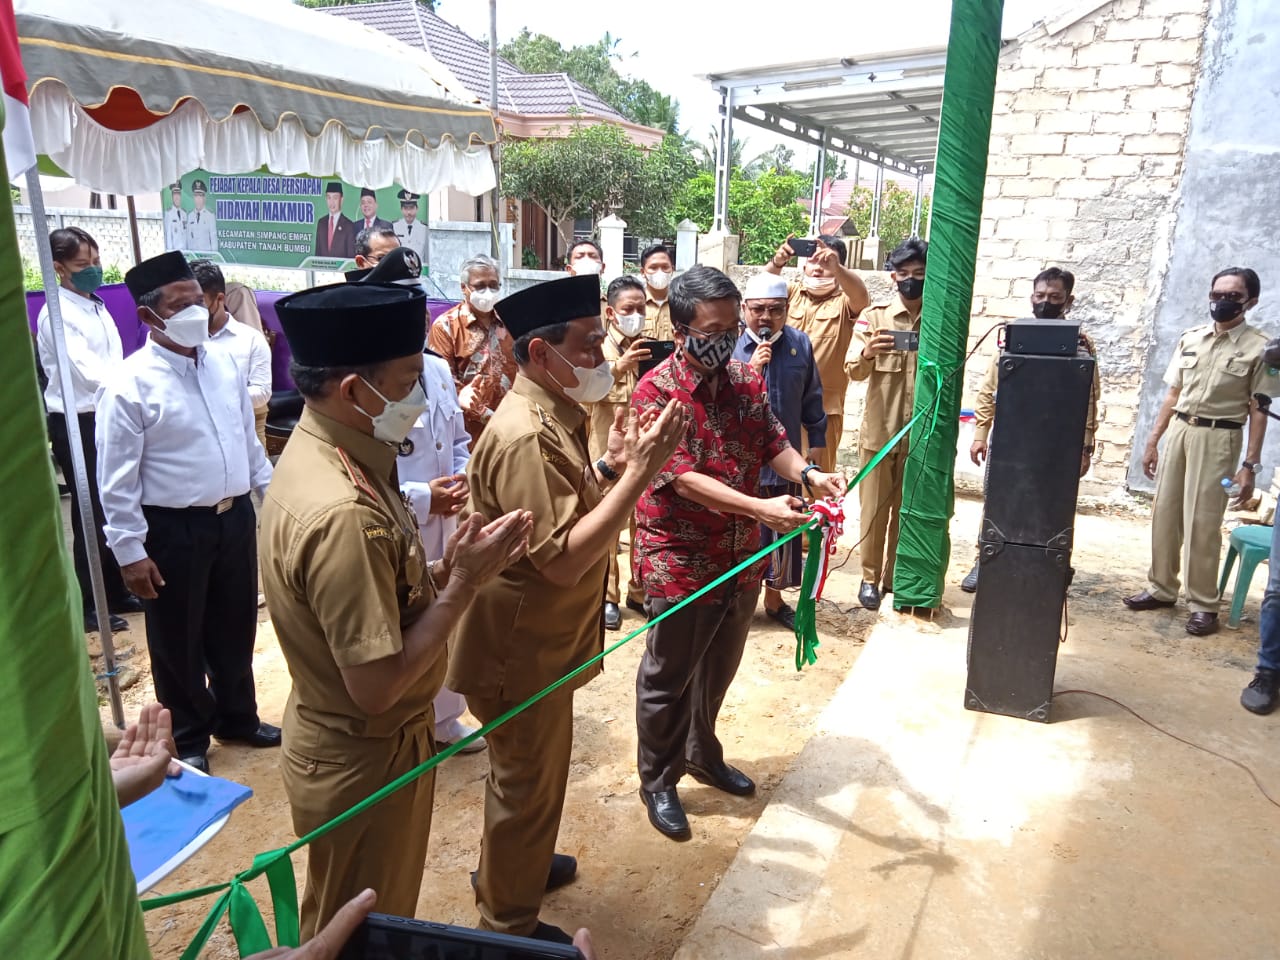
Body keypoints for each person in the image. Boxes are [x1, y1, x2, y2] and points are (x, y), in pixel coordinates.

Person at [261, 278, 533, 939]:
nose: (422, 393)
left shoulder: (339, 450)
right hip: (365, 756)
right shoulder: (342, 511)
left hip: (359, 744)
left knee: (361, 918)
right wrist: (464, 586)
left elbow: (382, 593)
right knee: (356, 931)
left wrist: (445, 570)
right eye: (410, 378)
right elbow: (378, 685)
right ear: (355, 390)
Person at [448, 274, 687, 944]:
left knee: (528, 781)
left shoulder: (552, 413)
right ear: (539, 355)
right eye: (587, 345)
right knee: (525, 785)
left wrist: (610, 471)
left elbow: (563, 512)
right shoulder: (527, 433)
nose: (602, 357)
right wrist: (641, 474)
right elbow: (561, 560)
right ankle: (508, 922)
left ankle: (512, 869)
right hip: (516, 651)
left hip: (536, 643)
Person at [631, 266, 845, 841]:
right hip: (681, 554)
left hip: (738, 553)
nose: (726, 340)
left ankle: (703, 750)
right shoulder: (655, 391)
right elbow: (680, 479)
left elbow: (773, 441)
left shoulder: (744, 380)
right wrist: (759, 509)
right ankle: (659, 777)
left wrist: (808, 475)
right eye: (714, 329)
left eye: (733, 328)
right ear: (680, 330)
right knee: (669, 673)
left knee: (721, 662)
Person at [96, 251, 278, 773]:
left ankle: (238, 716)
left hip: (233, 514)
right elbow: (117, 480)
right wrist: (129, 551)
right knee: (177, 634)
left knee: (236, 621)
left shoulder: (223, 361)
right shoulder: (128, 385)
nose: (194, 312)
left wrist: (273, 496)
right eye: (179, 305)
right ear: (149, 316)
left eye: (196, 301)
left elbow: (247, 442)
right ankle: (190, 732)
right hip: (172, 527)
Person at [348, 247, 488, 753]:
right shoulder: (362, 382)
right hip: (396, 521)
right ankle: (409, 717)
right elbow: (358, 475)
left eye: (417, 304)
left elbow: (454, 440)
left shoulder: (436, 369)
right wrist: (424, 496)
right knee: (400, 619)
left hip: (445, 517)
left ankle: (446, 716)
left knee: (445, 612)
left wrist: (459, 477)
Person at [1124, 267, 1272, 637]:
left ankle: (1204, 604)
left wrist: (1249, 465)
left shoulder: (1259, 347)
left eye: (1233, 296)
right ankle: (1161, 588)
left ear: (1250, 302)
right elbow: (1172, 395)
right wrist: (1153, 441)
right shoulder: (1191, 338)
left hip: (1219, 438)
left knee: (1203, 522)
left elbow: (1259, 408)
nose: (1223, 302)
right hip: (1179, 430)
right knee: (1165, 513)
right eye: (1217, 293)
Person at [961, 267, 1100, 592]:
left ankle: (1053, 566)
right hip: (1011, 439)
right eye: (1040, 296)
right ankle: (986, 560)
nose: (1046, 303)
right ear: (1031, 297)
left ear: (1069, 300)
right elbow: (988, 391)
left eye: (1055, 297)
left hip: (1058, 443)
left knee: (1055, 505)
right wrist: (980, 434)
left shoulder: (1081, 345)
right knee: (998, 501)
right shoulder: (1013, 337)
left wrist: (1085, 447)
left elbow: (1090, 400)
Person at [35, 226, 138, 634]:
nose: (93, 270)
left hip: (107, 411)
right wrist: (131, 389)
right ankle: (90, 602)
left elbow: (114, 359)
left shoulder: (93, 303)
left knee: (113, 503)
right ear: (59, 268)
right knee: (89, 512)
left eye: (95, 262)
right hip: (77, 421)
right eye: (83, 265)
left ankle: (115, 590)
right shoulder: (55, 314)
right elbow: (89, 371)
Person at [731, 273, 826, 629]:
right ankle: (740, 599)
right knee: (745, 530)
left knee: (784, 529)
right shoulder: (731, 347)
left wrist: (817, 437)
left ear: (787, 310)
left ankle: (774, 599)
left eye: (775, 309)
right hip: (742, 460)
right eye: (758, 310)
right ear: (744, 309)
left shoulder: (800, 344)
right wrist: (750, 369)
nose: (766, 318)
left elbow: (812, 395)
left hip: (787, 458)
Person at [843, 237, 928, 612]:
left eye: (919, 274)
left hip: (920, 436)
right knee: (874, 512)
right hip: (879, 434)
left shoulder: (938, 320)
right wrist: (867, 351)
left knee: (908, 511)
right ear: (893, 277)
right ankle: (869, 578)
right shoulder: (874, 316)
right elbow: (853, 370)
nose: (911, 281)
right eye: (904, 274)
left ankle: (897, 577)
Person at [765, 234, 869, 478]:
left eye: (826, 263)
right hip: (780, 404)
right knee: (775, 478)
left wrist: (838, 268)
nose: (819, 269)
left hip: (824, 412)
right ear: (803, 265)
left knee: (818, 481)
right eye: (813, 261)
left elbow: (861, 297)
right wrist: (778, 260)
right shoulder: (790, 294)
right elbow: (763, 287)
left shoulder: (845, 303)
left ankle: (818, 518)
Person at [589, 274, 652, 629]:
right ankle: (609, 595)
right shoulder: (597, 350)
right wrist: (618, 368)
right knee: (609, 525)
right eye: (629, 309)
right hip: (608, 452)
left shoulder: (650, 347)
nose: (637, 315)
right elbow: (583, 392)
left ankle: (638, 591)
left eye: (641, 309)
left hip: (643, 450)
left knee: (642, 521)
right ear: (611, 313)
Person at [427, 253, 517, 444]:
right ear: (464, 288)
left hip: (512, 431)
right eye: (480, 286)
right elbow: (441, 382)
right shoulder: (446, 327)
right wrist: (479, 409)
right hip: (467, 436)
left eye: (493, 285)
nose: (488, 291)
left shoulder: (512, 321)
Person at [193, 260, 273, 452]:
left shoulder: (250, 339)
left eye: (199, 303)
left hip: (246, 433)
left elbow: (262, 392)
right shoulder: (182, 339)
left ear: (220, 299)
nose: (191, 310)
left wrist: (217, 397)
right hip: (197, 434)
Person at [639, 243, 676, 340]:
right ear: (643, 272)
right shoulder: (636, 305)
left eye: (665, 267)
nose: (660, 272)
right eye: (653, 268)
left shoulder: (681, 303)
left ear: (672, 269)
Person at [315, 182, 356, 259]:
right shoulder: (321, 223)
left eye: (335, 198)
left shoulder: (349, 225)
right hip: (322, 269)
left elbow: (351, 258)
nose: (332, 202)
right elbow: (317, 253)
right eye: (329, 198)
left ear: (342, 199)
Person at [393, 189, 428, 259]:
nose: (409, 212)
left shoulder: (424, 229)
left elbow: (427, 255)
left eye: (411, 208)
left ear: (417, 208)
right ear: (401, 209)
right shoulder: (394, 227)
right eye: (405, 208)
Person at [185, 179, 218, 252]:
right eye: (196, 196)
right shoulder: (190, 216)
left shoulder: (210, 216)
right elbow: (188, 239)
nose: (198, 199)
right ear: (194, 198)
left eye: (200, 196)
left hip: (206, 258)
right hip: (193, 258)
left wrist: (214, 258)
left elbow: (213, 239)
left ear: (204, 198)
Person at [164, 181, 186, 250]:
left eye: (178, 194)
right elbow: (168, 237)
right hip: (175, 252)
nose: (177, 197)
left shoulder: (184, 213)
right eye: (174, 194)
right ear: (172, 196)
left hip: (186, 252)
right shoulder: (168, 213)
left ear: (180, 195)